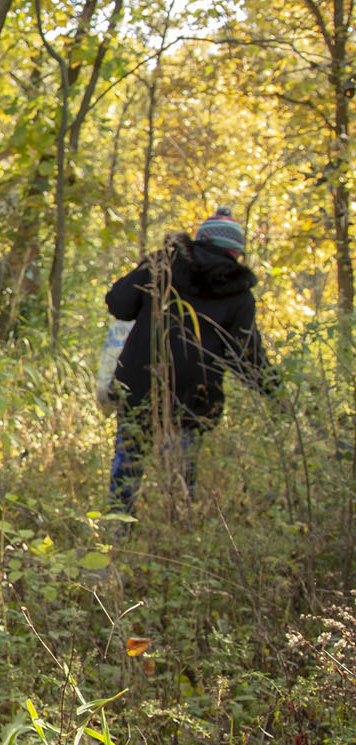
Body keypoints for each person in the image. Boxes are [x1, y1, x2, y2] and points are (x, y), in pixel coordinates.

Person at [104, 206, 276, 516]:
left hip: (140, 383)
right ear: (236, 253)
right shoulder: (239, 295)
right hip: (194, 393)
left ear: (200, 241)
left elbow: (119, 303)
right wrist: (275, 391)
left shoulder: (161, 266)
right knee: (181, 470)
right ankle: (176, 521)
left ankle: (118, 526)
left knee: (129, 458)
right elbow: (245, 357)